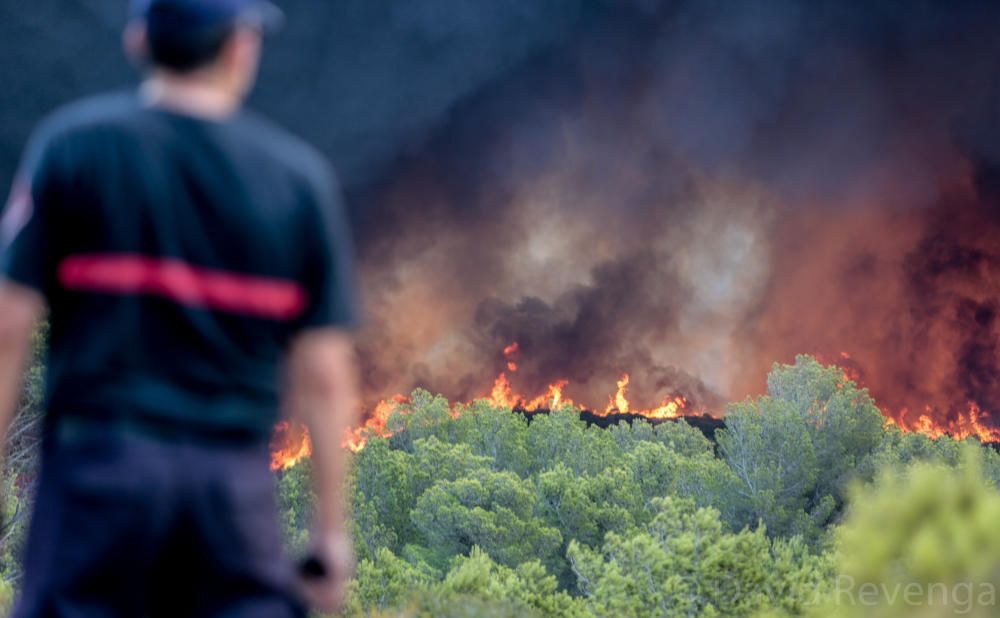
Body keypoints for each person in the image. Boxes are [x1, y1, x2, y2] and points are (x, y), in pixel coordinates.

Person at [0, 0, 361, 615]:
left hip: (98, 481)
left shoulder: (72, 148)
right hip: (230, 498)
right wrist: (329, 535)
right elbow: (324, 378)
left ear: (139, 41)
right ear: (240, 48)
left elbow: (8, 329)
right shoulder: (299, 183)